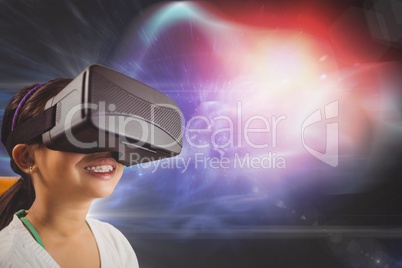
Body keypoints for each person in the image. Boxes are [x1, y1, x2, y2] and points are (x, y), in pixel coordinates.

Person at [0, 79, 139, 267]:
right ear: (27, 158)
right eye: (80, 133)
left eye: (113, 132)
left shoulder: (115, 242)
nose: (108, 148)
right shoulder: (7, 258)